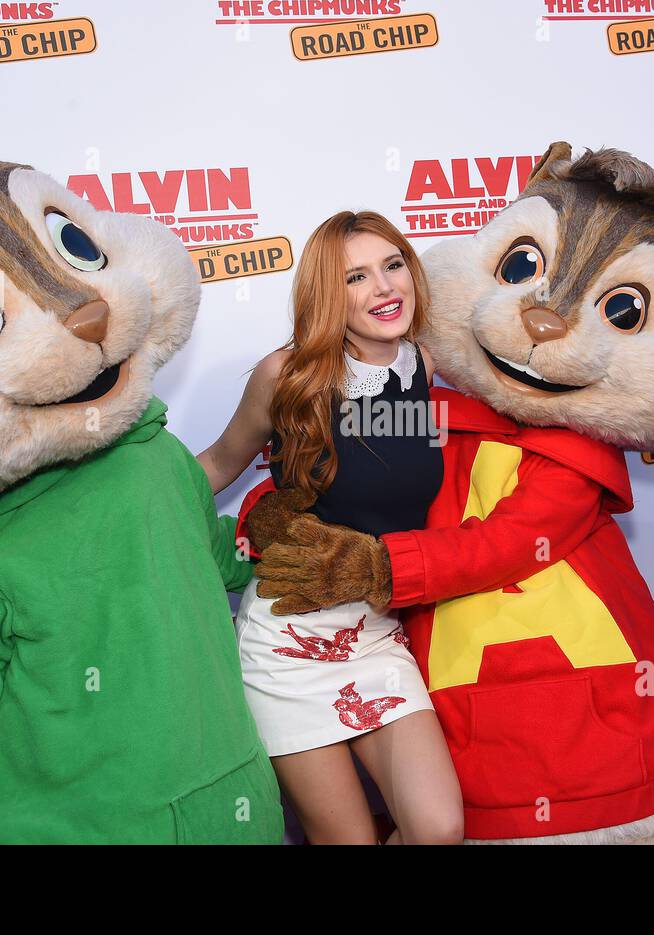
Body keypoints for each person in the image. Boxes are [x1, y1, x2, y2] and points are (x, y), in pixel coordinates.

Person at [198, 210, 463, 844]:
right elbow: (215, 465)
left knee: (439, 827)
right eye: (357, 277)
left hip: (376, 635)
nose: (385, 288)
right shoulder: (287, 376)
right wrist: (126, 503)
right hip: (288, 645)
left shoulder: (426, 366)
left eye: (393, 265)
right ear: (327, 293)